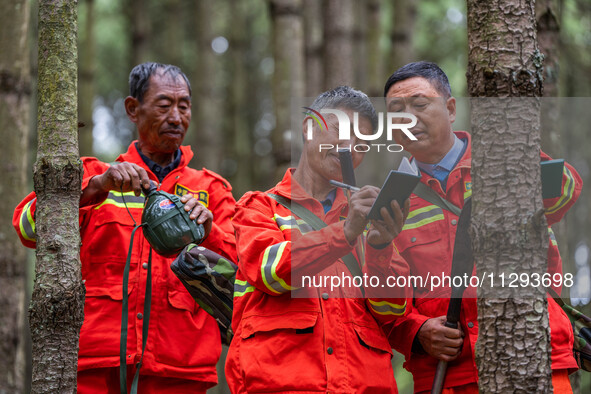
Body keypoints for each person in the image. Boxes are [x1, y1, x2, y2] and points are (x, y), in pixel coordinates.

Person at [13, 62, 237, 393]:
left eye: (184, 106)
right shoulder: (93, 175)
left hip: (179, 369)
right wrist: (94, 188)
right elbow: (27, 226)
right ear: (133, 109)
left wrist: (209, 229)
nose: (176, 117)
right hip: (97, 364)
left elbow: (242, 270)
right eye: (164, 105)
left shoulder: (212, 190)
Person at [382, 61, 582, 393]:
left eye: (419, 105)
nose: (408, 118)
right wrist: (417, 332)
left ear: (450, 109)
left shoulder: (496, 157)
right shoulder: (391, 201)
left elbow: (566, 191)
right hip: (449, 376)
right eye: (396, 111)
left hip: (533, 358)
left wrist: (512, 153)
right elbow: (383, 299)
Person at [225, 86, 412, 393]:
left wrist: (380, 246)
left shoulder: (368, 220)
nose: (349, 147)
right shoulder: (259, 206)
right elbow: (271, 273)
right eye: (342, 130)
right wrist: (346, 232)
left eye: (362, 144)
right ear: (309, 127)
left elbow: (391, 310)